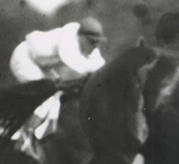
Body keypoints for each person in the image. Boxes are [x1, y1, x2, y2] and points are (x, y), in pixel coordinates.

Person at [8, 18, 106, 152]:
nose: (95, 46)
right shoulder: (68, 43)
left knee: (56, 97)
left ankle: (38, 136)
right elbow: (78, 68)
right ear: (80, 36)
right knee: (46, 98)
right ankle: (23, 137)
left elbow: (99, 67)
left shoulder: (83, 45)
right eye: (92, 42)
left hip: (41, 65)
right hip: (24, 58)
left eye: (97, 43)